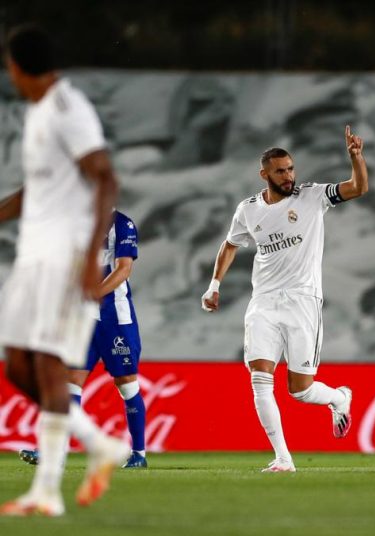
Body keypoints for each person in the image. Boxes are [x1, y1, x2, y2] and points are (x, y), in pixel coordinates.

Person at [0, 25, 130, 516]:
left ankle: (47, 490)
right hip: (33, 256)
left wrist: (85, 256)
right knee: (17, 366)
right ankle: (98, 444)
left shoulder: (67, 108)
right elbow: (39, 189)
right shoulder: (38, 114)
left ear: (16, 66)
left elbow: (105, 177)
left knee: (51, 370)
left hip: (62, 256)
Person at [201, 125, 367, 472]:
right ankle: (283, 458)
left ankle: (339, 397)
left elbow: (358, 188)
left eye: (291, 168)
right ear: (265, 175)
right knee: (260, 377)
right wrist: (214, 285)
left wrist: (356, 158)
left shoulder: (312, 197)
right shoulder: (248, 209)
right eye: (281, 170)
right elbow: (230, 244)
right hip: (263, 302)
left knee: (300, 391)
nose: (289, 175)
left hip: (303, 301)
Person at [19, 210, 147, 468]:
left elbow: (123, 270)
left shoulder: (121, 224)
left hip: (115, 319)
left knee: (126, 384)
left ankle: (139, 454)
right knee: (70, 380)